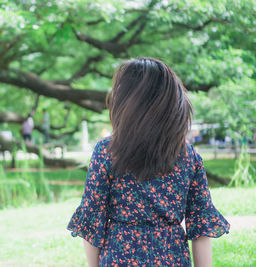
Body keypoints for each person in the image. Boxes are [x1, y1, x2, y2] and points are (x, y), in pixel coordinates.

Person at [67, 58, 230, 267]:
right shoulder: (188, 157)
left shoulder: (108, 152)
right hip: (172, 259)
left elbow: (92, 223)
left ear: (126, 104)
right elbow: (201, 230)